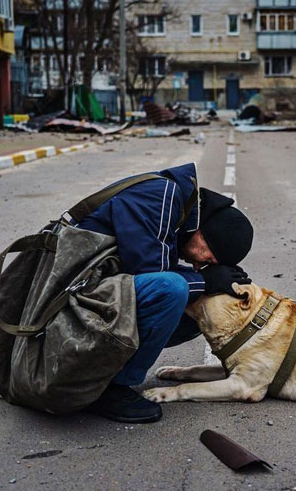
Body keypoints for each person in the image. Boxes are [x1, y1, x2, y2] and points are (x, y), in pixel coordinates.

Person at [75, 163, 254, 423]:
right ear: (204, 234)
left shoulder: (175, 209)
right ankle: (111, 390)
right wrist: (204, 280)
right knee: (175, 288)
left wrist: (207, 284)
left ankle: (104, 370)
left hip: (91, 291)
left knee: (197, 300)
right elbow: (152, 275)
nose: (197, 264)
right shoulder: (162, 196)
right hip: (69, 296)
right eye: (207, 257)